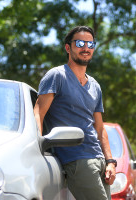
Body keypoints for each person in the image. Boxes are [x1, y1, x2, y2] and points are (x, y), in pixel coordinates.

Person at [34, 26, 116, 200]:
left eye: (90, 44)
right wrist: (37, 147)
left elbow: (100, 129)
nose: (85, 48)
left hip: (99, 159)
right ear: (68, 48)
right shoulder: (56, 76)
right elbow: (38, 113)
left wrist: (110, 161)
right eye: (79, 43)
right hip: (77, 160)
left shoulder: (95, 86)